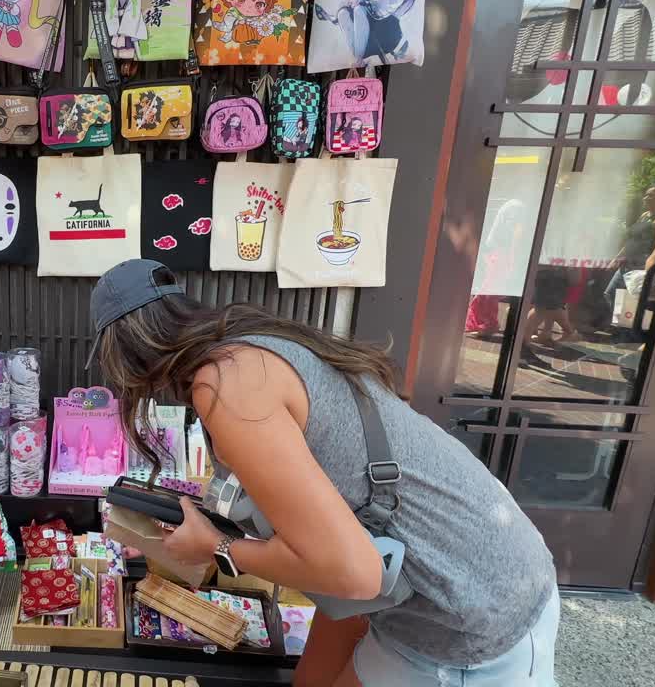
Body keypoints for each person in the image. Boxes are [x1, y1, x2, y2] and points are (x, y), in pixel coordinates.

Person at [88, 259, 559, 687]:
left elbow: (354, 574)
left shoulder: (225, 385)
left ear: (127, 354)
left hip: (471, 613)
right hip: (417, 590)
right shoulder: (255, 349)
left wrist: (217, 546)